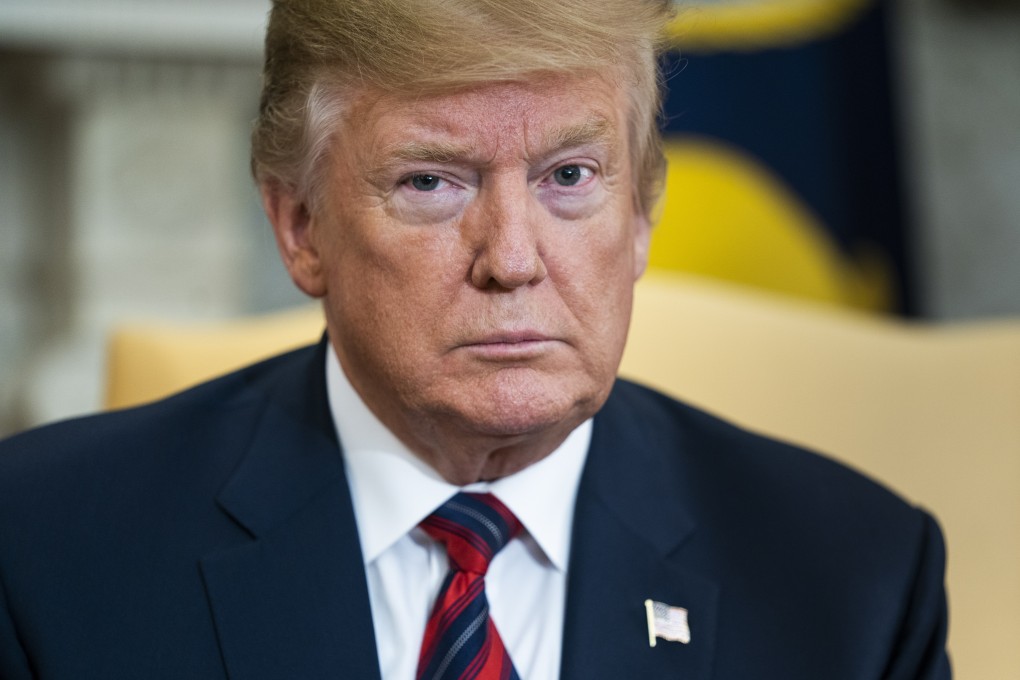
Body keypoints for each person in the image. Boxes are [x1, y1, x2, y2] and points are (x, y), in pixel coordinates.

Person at [0, 0, 950, 678]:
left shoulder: (855, 582)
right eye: (432, 182)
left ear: (645, 213)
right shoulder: (42, 548)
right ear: (299, 226)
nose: (512, 259)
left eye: (570, 175)